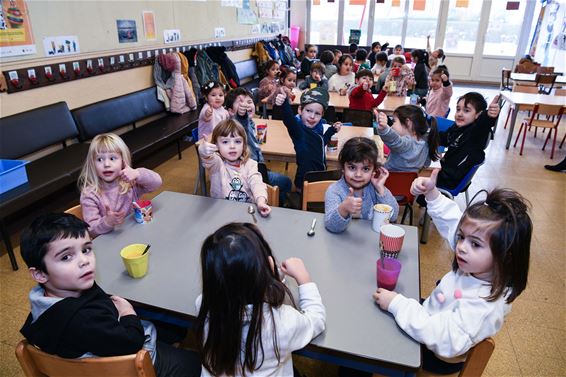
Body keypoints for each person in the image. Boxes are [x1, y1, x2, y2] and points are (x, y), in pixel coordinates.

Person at [374, 174, 531, 374]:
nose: (461, 247)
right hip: (429, 316)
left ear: (505, 255)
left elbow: (440, 336)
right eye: (462, 238)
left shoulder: (484, 307)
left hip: (432, 355)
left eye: (475, 243)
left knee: (372, 339)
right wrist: (431, 194)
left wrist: (397, 304)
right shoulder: (480, 264)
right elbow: (452, 222)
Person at [19, 213, 201, 377]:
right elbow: (132, 343)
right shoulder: (84, 320)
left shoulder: (45, 297)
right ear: (39, 274)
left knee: (174, 329)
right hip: (133, 362)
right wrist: (128, 313)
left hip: (103, 340)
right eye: (66, 257)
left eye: (86, 249)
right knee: (198, 363)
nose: (84, 261)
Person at [195, 222, 326, 376]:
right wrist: (304, 279)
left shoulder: (205, 305)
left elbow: (241, 285)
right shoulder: (281, 323)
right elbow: (316, 320)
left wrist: (269, 274)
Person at [78, 133, 162, 237]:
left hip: (135, 234)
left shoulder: (130, 183)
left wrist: (137, 173)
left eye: (112, 158)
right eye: (100, 159)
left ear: (123, 161)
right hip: (109, 241)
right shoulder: (89, 194)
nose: (106, 164)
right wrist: (107, 222)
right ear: (92, 164)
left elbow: (156, 182)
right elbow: (91, 230)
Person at [224, 87, 292, 204]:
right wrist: (241, 115)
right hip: (249, 174)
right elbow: (241, 123)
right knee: (287, 182)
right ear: (230, 111)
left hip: (258, 166)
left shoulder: (250, 122)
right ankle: (277, 203)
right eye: (241, 103)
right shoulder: (235, 126)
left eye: (249, 102)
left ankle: (276, 200)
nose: (246, 106)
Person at [324, 137, 398, 233]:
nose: (358, 175)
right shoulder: (335, 191)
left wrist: (381, 189)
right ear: (343, 168)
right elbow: (332, 226)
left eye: (366, 169)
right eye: (352, 167)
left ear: (373, 171)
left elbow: (393, 216)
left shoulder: (375, 189)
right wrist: (343, 209)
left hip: (370, 243)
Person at [198, 119, 271, 216]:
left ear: (244, 145)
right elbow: (209, 160)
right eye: (225, 142)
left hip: (247, 213)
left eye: (237, 141)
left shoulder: (251, 164)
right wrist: (203, 152)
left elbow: (257, 183)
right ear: (216, 145)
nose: (232, 146)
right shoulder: (218, 164)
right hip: (221, 214)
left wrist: (261, 201)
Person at [273, 87, 342, 190]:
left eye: (317, 113)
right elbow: (289, 120)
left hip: (320, 175)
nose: (312, 116)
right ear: (300, 110)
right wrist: (284, 104)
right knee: (304, 201)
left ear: (322, 115)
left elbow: (320, 143)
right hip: (304, 180)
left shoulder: (317, 129)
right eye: (308, 111)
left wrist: (332, 130)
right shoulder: (298, 131)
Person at [436, 93, 500, 190]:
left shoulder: (476, 132)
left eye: (466, 111)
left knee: (417, 172)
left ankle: (424, 200)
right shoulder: (457, 127)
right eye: (458, 109)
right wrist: (428, 134)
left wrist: (489, 116)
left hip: (450, 179)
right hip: (447, 170)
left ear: (478, 115)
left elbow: (483, 123)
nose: (460, 114)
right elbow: (446, 138)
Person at [375, 105, 440, 172]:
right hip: (411, 181)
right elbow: (426, 164)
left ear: (408, 122)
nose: (392, 126)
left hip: (389, 180)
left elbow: (395, 140)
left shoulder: (406, 143)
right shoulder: (426, 144)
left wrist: (384, 129)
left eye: (394, 121)